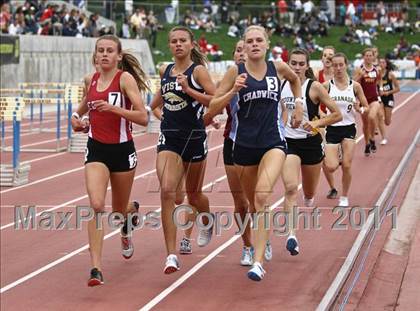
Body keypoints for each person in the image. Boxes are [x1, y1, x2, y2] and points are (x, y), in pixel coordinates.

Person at [209, 25, 304, 281]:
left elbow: (296, 80)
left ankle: (258, 262)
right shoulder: (234, 72)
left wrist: (297, 105)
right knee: (252, 204)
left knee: (262, 197)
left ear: (267, 43)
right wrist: (233, 91)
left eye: (258, 40)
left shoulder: (278, 68)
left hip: (273, 141)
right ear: (244, 45)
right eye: (249, 41)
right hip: (242, 146)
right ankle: (261, 242)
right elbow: (213, 105)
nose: (254, 44)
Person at [71, 34, 149, 286]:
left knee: (118, 211)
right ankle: (96, 268)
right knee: (96, 205)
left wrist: (114, 108)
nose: (104, 54)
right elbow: (84, 107)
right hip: (96, 150)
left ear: (118, 56)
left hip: (122, 150)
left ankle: (129, 215)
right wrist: (76, 120)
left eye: (109, 51)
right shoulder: (90, 79)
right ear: (95, 55)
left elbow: (142, 117)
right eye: (100, 50)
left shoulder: (124, 79)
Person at [149, 26, 216, 274]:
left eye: (182, 41)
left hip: (195, 139)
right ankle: (171, 254)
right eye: (174, 41)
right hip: (170, 139)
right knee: (168, 192)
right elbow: (154, 104)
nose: (178, 44)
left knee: (194, 195)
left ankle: (206, 220)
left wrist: (189, 90)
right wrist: (163, 118)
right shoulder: (166, 71)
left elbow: (217, 99)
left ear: (191, 45)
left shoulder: (198, 71)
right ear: (169, 45)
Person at [205, 39, 273, 266]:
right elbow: (211, 109)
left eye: (247, 49)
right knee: (241, 202)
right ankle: (247, 245)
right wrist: (233, 90)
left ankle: (263, 238)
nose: (244, 53)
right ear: (234, 56)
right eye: (239, 50)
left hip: (262, 142)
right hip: (233, 142)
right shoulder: (228, 79)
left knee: (258, 200)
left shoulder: (266, 76)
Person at [281, 48, 342, 258]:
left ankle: (308, 197)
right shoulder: (281, 86)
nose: (296, 67)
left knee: (308, 193)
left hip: (311, 145)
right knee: (290, 188)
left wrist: (316, 123)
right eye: (293, 63)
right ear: (288, 64)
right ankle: (291, 235)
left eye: (300, 64)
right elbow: (280, 112)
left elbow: (337, 114)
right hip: (289, 143)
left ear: (307, 66)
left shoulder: (314, 87)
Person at [323, 53, 369, 207]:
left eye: (341, 65)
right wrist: (324, 117)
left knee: (347, 165)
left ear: (346, 65)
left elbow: (366, 106)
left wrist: (360, 109)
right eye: (335, 65)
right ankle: (339, 156)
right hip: (332, 128)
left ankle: (344, 196)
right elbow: (315, 106)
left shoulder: (355, 86)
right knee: (330, 166)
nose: (338, 68)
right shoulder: (326, 86)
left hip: (349, 128)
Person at [353, 48, 383, 156]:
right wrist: (360, 75)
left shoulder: (377, 69)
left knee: (371, 117)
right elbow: (353, 83)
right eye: (367, 55)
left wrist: (380, 90)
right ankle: (367, 144)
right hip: (363, 100)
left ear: (373, 57)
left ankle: (373, 139)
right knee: (365, 124)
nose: (369, 57)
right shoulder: (359, 69)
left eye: (371, 55)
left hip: (374, 99)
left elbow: (379, 80)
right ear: (363, 57)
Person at [377, 58, 400, 145]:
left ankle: (386, 118)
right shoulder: (377, 74)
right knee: (379, 116)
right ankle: (383, 137)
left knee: (387, 122)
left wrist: (388, 92)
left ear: (386, 64)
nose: (381, 64)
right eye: (380, 62)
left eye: (383, 62)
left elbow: (398, 88)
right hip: (380, 98)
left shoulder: (390, 74)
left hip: (389, 98)